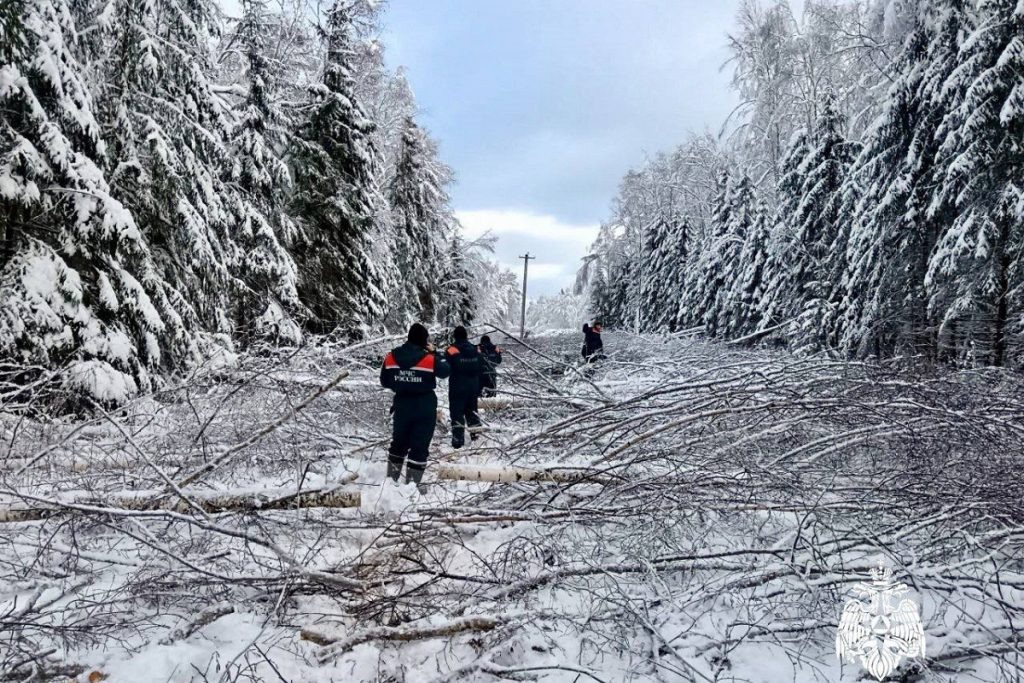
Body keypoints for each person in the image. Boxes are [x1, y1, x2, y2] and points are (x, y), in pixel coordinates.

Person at [380, 323, 450, 488]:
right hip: (424, 407)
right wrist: (435, 352)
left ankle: (391, 481)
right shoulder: (429, 359)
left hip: (402, 405)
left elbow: (384, 381)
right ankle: (411, 486)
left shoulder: (391, 357)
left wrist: (402, 383)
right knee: (419, 447)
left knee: (398, 444)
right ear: (424, 341)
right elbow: (446, 371)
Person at [446, 326, 483, 448]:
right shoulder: (475, 349)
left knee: (457, 414)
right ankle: (476, 437)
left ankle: (458, 441)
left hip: (457, 386)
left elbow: (445, 368)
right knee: (472, 411)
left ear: (455, 336)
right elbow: (481, 365)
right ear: (466, 336)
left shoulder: (451, 350)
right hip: (473, 386)